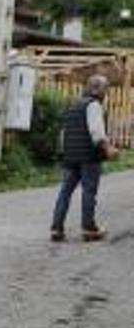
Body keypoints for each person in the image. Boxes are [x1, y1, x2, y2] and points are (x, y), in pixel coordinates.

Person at [50, 74, 118, 242]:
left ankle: (56, 228)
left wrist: (64, 153)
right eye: (105, 88)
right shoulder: (93, 105)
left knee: (65, 192)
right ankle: (89, 228)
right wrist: (108, 148)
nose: (106, 92)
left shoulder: (73, 106)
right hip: (89, 157)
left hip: (70, 157)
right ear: (97, 89)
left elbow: (63, 134)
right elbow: (96, 132)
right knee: (89, 191)